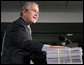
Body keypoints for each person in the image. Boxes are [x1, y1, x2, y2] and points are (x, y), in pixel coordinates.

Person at [1, 2, 68, 64]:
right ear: (24, 12)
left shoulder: (26, 27)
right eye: (34, 11)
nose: (37, 15)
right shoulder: (16, 25)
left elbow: (29, 50)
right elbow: (26, 43)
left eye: (38, 13)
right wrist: (49, 48)